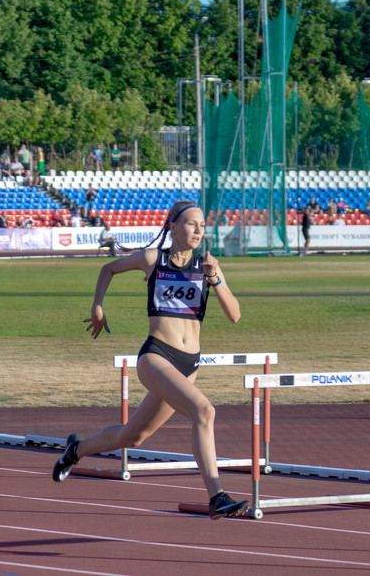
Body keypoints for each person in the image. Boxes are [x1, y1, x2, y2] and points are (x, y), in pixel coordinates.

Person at [51, 200, 248, 520]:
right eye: (191, 223)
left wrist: (216, 280)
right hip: (157, 356)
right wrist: (97, 307)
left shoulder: (208, 265)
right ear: (172, 226)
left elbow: (235, 315)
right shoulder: (154, 259)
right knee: (204, 411)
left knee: (133, 436)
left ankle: (75, 450)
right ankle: (217, 495)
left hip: (189, 364)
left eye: (202, 225)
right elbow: (108, 269)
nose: (198, 230)